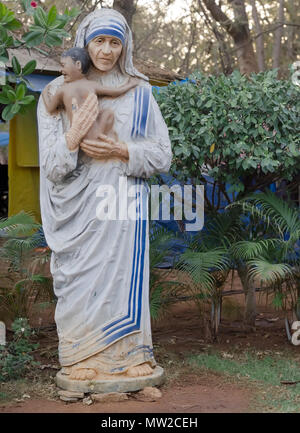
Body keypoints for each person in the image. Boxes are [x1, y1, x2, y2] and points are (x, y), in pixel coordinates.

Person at [37, 8, 172, 381]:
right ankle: (81, 357)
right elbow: (51, 165)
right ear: (84, 43)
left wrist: (122, 151)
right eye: (99, 41)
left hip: (122, 204)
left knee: (121, 279)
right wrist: (75, 138)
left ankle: (132, 357)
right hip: (76, 208)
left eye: (115, 42)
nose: (107, 50)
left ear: (125, 45)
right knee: (82, 281)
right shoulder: (55, 93)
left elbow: (162, 154)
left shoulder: (141, 94)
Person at [42, 47, 139, 148]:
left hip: (83, 138)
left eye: (63, 65)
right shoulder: (91, 85)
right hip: (95, 134)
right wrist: (130, 84)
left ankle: (107, 140)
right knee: (108, 113)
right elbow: (116, 92)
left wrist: (45, 94)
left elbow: (50, 108)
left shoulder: (63, 89)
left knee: (106, 113)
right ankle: (107, 139)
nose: (60, 70)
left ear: (78, 65)